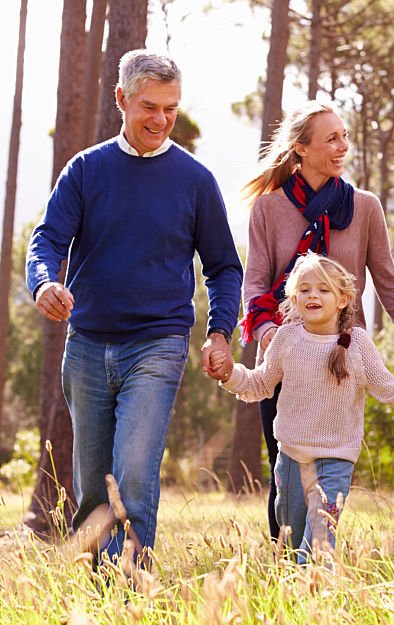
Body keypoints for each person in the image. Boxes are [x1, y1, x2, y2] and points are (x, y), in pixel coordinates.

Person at [25, 50, 243, 566]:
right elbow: (47, 241)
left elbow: (224, 266)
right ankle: (100, 590)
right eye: (149, 106)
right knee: (95, 482)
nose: (161, 119)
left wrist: (219, 332)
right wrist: (42, 285)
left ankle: (132, 587)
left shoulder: (195, 180)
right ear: (121, 99)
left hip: (159, 342)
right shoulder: (86, 169)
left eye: (170, 108)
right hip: (87, 347)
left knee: (135, 472)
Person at [240, 101, 394, 541]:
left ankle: (318, 558)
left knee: (331, 469)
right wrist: (271, 338)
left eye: (345, 136)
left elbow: (388, 279)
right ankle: (284, 563)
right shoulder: (267, 209)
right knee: (284, 469)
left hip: (341, 357)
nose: (343, 146)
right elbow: (255, 283)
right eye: (332, 138)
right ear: (301, 148)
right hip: (287, 356)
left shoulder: (365, 208)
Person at [208, 254, 394, 562]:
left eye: (323, 289)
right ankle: (295, 603)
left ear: (343, 298)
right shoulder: (287, 338)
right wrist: (229, 374)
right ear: (294, 297)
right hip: (291, 461)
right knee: (291, 544)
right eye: (305, 289)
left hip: (334, 463)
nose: (313, 296)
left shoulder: (357, 345)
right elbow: (259, 385)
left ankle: (317, 599)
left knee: (318, 547)